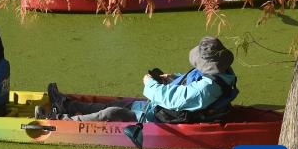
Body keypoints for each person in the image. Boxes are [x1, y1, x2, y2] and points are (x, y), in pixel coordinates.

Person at [36, 36, 238, 124]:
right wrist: (173, 78)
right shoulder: (220, 73)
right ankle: (67, 104)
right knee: (120, 103)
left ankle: (60, 121)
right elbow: (192, 85)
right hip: (163, 110)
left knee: (112, 112)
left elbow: (175, 100)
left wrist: (150, 84)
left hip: (166, 119)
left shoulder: (208, 88)